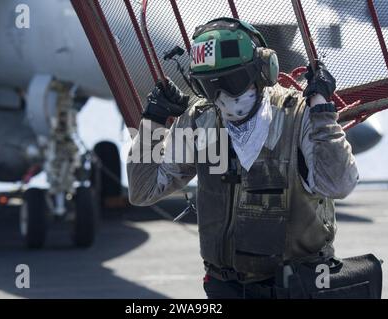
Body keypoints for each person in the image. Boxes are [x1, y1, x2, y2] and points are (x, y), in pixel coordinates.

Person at [127, 17, 359, 299]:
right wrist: (153, 122)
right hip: (225, 287)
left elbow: (339, 184)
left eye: (232, 81)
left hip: (296, 286)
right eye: (209, 87)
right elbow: (142, 190)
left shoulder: (297, 116)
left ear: (262, 71)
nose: (222, 96)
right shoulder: (202, 120)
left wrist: (322, 109)